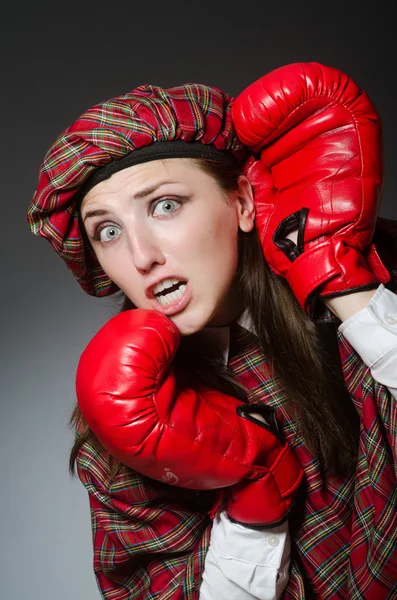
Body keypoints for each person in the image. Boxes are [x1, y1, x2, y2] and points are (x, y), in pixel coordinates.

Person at [27, 62, 397, 599]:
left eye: (165, 205)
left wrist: (343, 283)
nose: (141, 256)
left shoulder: (378, 281)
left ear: (243, 202)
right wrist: (255, 504)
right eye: (108, 231)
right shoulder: (125, 418)